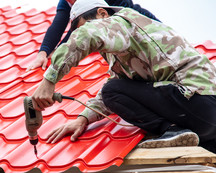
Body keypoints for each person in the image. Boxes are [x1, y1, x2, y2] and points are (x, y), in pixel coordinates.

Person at [31, 0, 216, 153]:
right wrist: (83, 119)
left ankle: (171, 130)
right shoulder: (119, 50)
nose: (84, 32)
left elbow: (86, 36)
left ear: (103, 13)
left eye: (84, 26)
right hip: (204, 119)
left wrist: (49, 80)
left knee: (112, 91)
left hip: (197, 98)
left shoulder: (122, 21)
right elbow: (118, 88)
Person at [26, 0, 159, 72]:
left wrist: (61, 48)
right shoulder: (66, 3)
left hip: (146, 31)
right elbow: (59, 25)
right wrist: (43, 53)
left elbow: (85, 30)